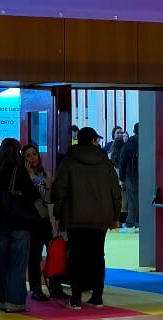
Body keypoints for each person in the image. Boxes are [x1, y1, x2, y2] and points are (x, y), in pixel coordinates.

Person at [50, 126, 123, 308]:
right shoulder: (105, 163)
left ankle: (75, 298)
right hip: (101, 218)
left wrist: (58, 214)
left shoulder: (68, 162)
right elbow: (115, 191)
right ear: (93, 141)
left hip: (75, 217)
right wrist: (116, 215)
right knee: (98, 256)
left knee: (76, 256)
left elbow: (60, 191)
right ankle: (97, 296)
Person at [0, 138, 39, 312]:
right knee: (17, 264)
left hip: (1, 223)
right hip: (19, 222)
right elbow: (33, 195)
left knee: (2, 263)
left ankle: (2, 299)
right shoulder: (20, 170)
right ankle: (15, 301)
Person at [21, 142, 55, 301]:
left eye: (34, 154)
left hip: (47, 218)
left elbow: (50, 193)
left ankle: (55, 286)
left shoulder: (46, 172)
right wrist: (31, 176)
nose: (32, 158)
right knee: (34, 255)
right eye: (28, 156)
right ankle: (36, 288)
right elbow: (34, 195)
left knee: (53, 253)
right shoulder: (23, 176)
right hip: (33, 219)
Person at [119, 121, 140, 230]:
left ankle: (131, 222)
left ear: (134, 131)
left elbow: (123, 161)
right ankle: (141, 220)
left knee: (132, 199)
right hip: (145, 175)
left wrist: (122, 178)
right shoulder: (148, 140)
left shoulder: (130, 142)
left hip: (131, 175)